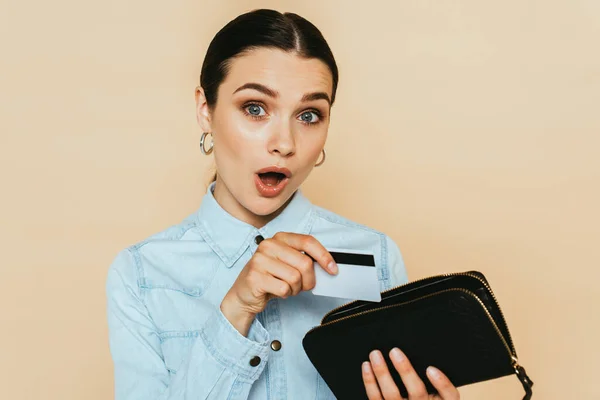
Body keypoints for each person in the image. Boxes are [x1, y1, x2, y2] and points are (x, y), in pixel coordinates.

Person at [106, 9, 460, 400]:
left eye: (309, 115)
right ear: (205, 110)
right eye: (255, 108)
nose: (285, 143)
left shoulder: (374, 255)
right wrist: (236, 309)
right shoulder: (142, 275)